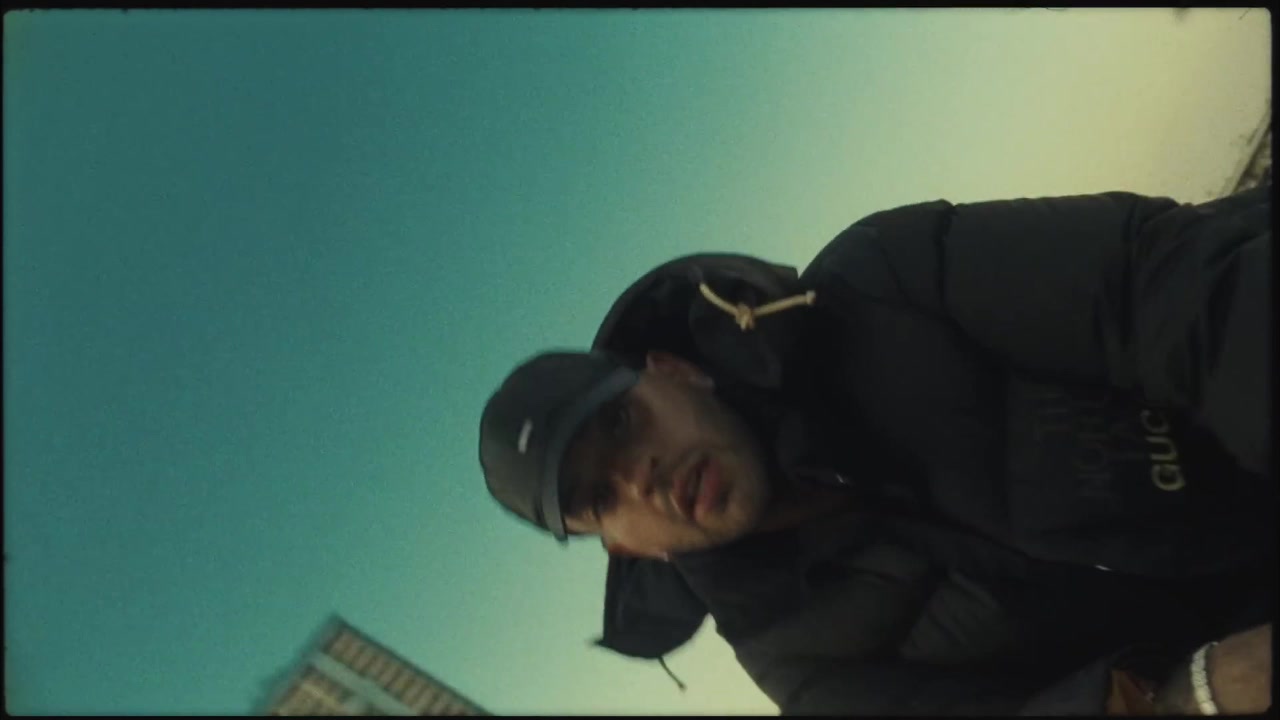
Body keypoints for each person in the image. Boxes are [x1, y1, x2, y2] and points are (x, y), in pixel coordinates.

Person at [478, 184, 1274, 715]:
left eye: (621, 424)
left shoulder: (884, 282)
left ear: (673, 372)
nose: (640, 477)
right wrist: (1193, 692)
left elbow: (1168, 290)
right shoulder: (795, 661)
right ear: (628, 548)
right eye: (599, 498)